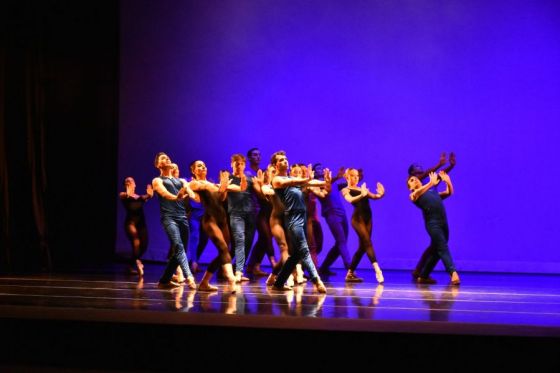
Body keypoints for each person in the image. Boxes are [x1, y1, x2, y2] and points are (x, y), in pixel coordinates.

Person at [270, 151, 328, 293]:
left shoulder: (292, 179)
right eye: (281, 160)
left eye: (286, 159)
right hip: (293, 218)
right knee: (304, 249)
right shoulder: (277, 180)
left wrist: (325, 181)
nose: (285, 161)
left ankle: (278, 284)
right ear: (275, 165)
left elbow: (308, 182)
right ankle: (317, 280)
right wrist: (306, 179)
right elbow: (295, 181)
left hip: (302, 218)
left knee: (296, 255)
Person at [189, 160, 241, 293]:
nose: (203, 167)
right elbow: (195, 188)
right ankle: (231, 279)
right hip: (210, 220)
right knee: (223, 248)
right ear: (193, 171)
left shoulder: (212, 184)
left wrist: (223, 189)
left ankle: (205, 282)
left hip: (222, 220)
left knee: (225, 251)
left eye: (204, 165)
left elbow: (222, 198)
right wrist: (220, 187)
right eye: (199, 166)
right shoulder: (195, 183)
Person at [151, 152, 196, 289]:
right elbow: (164, 193)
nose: (167, 158)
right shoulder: (157, 180)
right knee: (179, 247)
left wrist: (191, 193)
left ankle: (164, 281)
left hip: (183, 218)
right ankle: (189, 277)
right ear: (158, 165)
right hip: (169, 218)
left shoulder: (181, 181)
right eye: (163, 158)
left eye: (168, 157)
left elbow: (191, 193)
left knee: (179, 252)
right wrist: (177, 197)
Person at [408, 152, 456, 280]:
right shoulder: (415, 189)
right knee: (438, 247)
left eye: (420, 172)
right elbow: (428, 175)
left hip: (441, 220)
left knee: (434, 248)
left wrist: (450, 166)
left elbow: (440, 176)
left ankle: (422, 273)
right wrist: (439, 164)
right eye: (417, 173)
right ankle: (421, 272)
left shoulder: (429, 186)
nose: (419, 175)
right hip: (432, 222)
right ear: (412, 175)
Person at [341, 168, 385, 283]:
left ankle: (350, 273)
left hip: (368, 219)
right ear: (347, 177)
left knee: (362, 248)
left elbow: (375, 197)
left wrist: (381, 193)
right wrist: (361, 195)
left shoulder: (362, 189)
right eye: (352, 175)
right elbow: (350, 199)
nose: (355, 178)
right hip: (357, 220)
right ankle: (377, 270)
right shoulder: (346, 189)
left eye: (357, 176)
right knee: (368, 243)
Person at [313, 164, 352, 276]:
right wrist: (336, 177)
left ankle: (324, 267)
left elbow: (345, 185)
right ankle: (350, 270)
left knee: (340, 243)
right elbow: (326, 187)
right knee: (341, 242)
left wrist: (352, 178)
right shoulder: (317, 184)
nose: (320, 169)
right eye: (318, 169)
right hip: (332, 213)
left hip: (342, 213)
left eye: (321, 167)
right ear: (314, 173)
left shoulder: (332, 182)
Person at [227, 154, 258, 282]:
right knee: (239, 240)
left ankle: (235, 268)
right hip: (236, 214)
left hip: (250, 214)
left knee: (247, 243)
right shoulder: (228, 177)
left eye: (241, 164)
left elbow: (259, 192)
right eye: (236, 163)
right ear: (232, 164)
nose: (239, 166)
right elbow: (224, 190)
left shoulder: (250, 177)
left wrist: (261, 185)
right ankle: (238, 271)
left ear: (245, 165)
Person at [119, 176, 153, 276]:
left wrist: (149, 195)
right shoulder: (123, 195)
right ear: (125, 185)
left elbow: (144, 197)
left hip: (141, 224)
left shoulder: (139, 197)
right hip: (130, 223)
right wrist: (127, 193)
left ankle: (130, 265)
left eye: (131, 181)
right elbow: (124, 195)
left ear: (135, 184)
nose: (129, 182)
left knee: (144, 246)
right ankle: (138, 262)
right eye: (127, 181)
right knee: (136, 242)